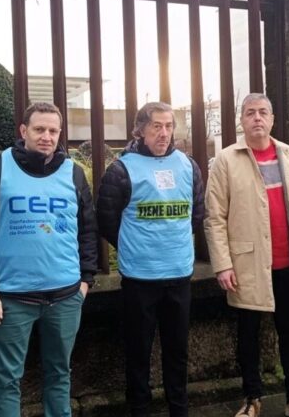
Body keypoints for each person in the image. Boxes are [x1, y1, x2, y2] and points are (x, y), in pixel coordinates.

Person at [0, 102, 98, 417]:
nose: (47, 136)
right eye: (39, 129)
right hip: (11, 298)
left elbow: (88, 229)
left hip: (65, 296)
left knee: (59, 373)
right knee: (8, 378)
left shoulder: (73, 173)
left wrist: (85, 281)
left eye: (53, 131)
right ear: (24, 131)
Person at [204, 93, 289, 417]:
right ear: (241, 120)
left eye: (263, 113)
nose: (257, 118)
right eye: (250, 113)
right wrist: (223, 265)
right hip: (247, 266)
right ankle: (251, 398)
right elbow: (215, 218)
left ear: (272, 119)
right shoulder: (227, 160)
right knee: (248, 337)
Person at [96, 102, 204, 417]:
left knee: (178, 352)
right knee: (138, 353)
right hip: (140, 279)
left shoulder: (188, 165)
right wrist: (135, 247)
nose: (164, 133)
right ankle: (140, 410)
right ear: (140, 129)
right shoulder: (121, 169)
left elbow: (196, 215)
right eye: (156, 126)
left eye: (169, 126)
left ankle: (178, 410)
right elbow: (106, 221)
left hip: (178, 275)